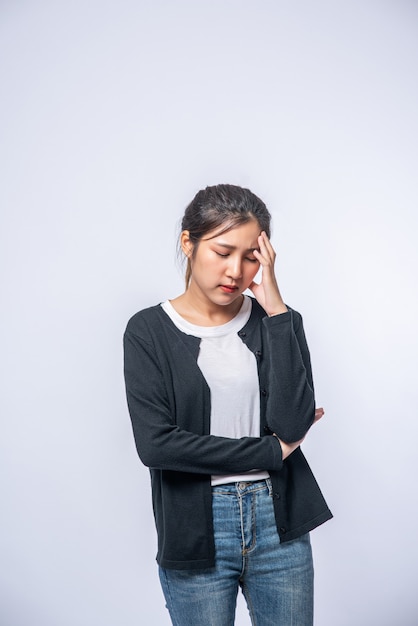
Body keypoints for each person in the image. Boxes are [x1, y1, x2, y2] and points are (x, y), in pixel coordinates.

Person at [123, 184, 332, 626]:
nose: (235, 270)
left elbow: (293, 422)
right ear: (189, 243)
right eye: (222, 251)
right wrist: (268, 452)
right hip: (197, 528)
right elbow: (157, 446)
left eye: (251, 256)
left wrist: (276, 311)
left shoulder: (276, 322)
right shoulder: (148, 332)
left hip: (279, 522)